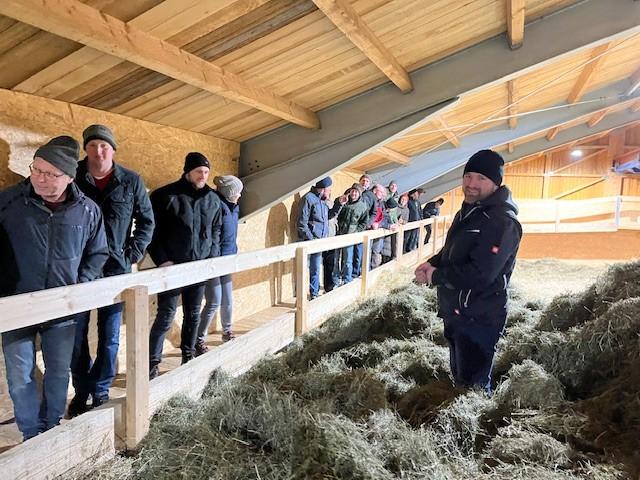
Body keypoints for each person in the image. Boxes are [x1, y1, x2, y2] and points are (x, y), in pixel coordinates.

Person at [0, 136, 108, 440]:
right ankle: (31, 435)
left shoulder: (87, 211)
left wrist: (81, 285)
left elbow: (98, 253)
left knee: (59, 372)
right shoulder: (8, 204)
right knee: (20, 375)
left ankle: (51, 429)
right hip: (15, 304)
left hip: (62, 307)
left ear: (70, 177)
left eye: (51, 174)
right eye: (36, 169)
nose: (40, 179)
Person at [414, 150, 522, 392]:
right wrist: (433, 263)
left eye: (481, 178)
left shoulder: (501, 221)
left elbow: (481, 274)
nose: (472, 184)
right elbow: (452, 250)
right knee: (460, 376)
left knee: (473, 387)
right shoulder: (469, 212)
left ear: (496, 183)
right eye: (468, 176)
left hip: (480, 315)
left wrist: (436, 277)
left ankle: (477, 420)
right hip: (457, 309)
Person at [69, 124, 155, 416]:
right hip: (78, 272)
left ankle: (101, 389)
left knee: (110, 336)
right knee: (76, 336)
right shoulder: (73, 177)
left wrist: (130, 253)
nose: (98, 151)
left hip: (115, 271)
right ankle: (81, 391)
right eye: (92, 145)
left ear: (113, 150)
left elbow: (147, 222)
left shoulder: (130, 181)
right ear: (86, 150)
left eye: (104, 145)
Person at [147, 152, 222, 379]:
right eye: (199, 171)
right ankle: (151, 364)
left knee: (193, 314)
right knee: (166, 315)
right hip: (172, 268)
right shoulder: (164, 196)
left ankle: (188, 356)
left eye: (206, 172)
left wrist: (211, 256)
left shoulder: (212, 198)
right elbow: (151, 232)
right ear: (188, 171)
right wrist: (163, 260)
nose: (203, 175)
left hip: (198, 268)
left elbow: (216, 231)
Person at [196, 175, 243, 353]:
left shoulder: (234, 207)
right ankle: (198, 340)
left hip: (228, 258)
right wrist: (214, 258)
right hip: (215, 260)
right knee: (214, 300)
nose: (239, 195)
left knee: (227, 300)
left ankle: (227, 331)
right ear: (230, 192)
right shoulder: (217, 206)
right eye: (238, 191)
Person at [296, 177, 344, 299]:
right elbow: (302, 223)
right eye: (328, 190)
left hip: (322, 240)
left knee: (317, 268)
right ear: (322, 189)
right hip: (312, 241)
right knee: (314, 269)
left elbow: (328, 216)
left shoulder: (322, 200)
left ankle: (315, 292)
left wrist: (339, 203)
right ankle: (314, 294)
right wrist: (311, 239)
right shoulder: (308, 199)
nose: (329, 192)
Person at [332, 185, 368, 286]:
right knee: (336, 259)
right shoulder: (344, 201)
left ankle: (347, 280)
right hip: (339, 234)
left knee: (347, 260)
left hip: (350, 236)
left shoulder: (362, 206)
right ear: (350, 191)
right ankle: (335, 280)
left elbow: (364, 222)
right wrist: (340, 202)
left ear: (359, 194)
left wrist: (356, 231)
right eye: (352, 191)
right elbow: (335, 210)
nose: (354, 194)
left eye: (356, 192)